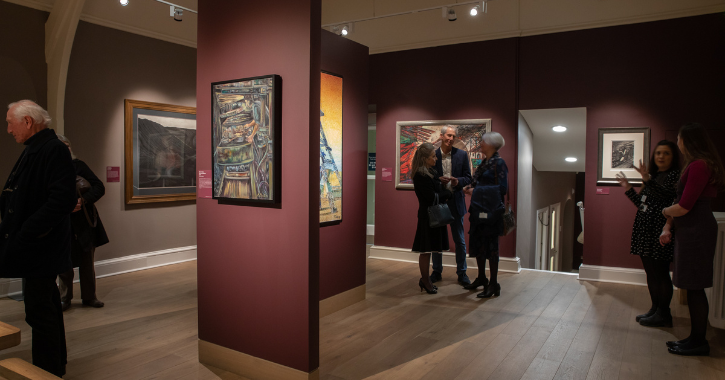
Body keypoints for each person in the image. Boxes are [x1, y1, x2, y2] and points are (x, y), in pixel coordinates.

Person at [1, 100, 76, 376]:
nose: (9, 129)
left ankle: (46, 370)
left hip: (40, 247)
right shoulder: (39, 147)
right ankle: (54, 366)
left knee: (40, 312)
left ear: (28, 121)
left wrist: (26, 232)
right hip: (37, 246)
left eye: (11, 122)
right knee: (47, 307)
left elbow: (62, 200)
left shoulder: (52, 149)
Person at [660, 123, 725, 356]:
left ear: (687, 140)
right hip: (692, 229)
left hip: (696, 230)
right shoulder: (699, 164)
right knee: (693, 286)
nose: (677, 142)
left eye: (679, 138)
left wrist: (666, 211)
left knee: (695, 288)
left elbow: (685, 206)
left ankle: (699, 341)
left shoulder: (699, 165)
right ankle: (694, 338)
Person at [615, 140, 680, 327]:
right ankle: (655, 309)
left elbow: (666, 197)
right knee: (650, 272)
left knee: (660, 273)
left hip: (660, 230)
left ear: (673, 156)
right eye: (658, 153)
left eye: (666, 153)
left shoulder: (674, 176)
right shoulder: (655, 176)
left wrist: (646, 179)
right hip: (644, 229)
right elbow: (642, 204)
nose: (661, 156)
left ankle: (664, 314)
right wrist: (628, 188)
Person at [56, 135, 109, 311]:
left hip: (84, 222)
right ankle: (65, 298)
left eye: (67, 146)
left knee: (87, 261)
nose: (66, 150)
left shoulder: (79, 165)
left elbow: (99, 187)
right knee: (64, 263)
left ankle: (89, 297)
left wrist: (83, 201)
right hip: (62, 222)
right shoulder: (50, 169)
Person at [463, 132, 507, 298]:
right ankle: (482, 278)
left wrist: (476, 191)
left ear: (490, 144)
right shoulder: (485, 162)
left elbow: (502, 189)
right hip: (477, 210)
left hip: (491, 212)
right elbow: (477, 183)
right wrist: (467, 187)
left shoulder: (499, 163)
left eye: (482, 141)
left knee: (491, 248)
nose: (480, 143)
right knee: (478, 245)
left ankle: (494, 283)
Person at [431, 126, 472, 285]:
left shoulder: (461, 154)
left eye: (453, 136)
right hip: (439, 202)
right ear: (441, 136)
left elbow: (468, 178)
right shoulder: (433, 156)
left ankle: (462, 273)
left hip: (456, 202)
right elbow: (428, 179)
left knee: (460, 240)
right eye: (448, 135)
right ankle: (436, 271)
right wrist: (437, 180)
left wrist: (458, 181)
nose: (451, 138)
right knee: (437, 240)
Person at [411, 142, 452, 294]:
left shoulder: (430, 172)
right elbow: (430, 198)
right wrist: (447, 194)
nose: (436, 159)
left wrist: (441, 183)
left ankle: (426, 280)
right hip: (427, 217)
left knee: (430, 249)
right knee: (425, 250)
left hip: (433, 216)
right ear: (424, 158)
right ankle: (425, 280)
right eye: (433, 157)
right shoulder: (421, 175)